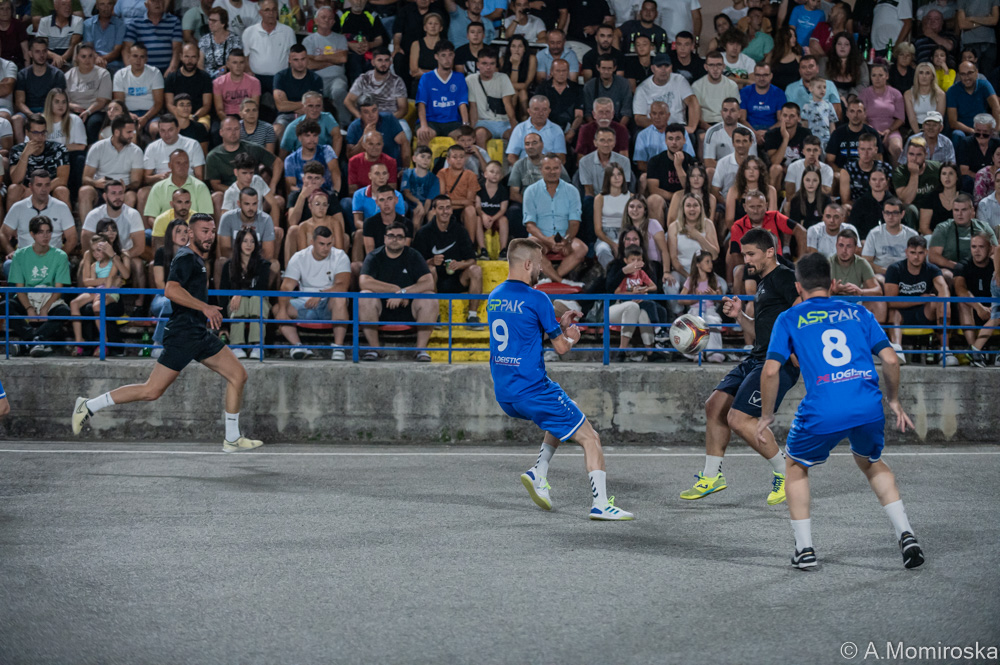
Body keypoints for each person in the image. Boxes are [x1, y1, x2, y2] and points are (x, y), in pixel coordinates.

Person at [758, 252, 922, 570]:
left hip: (824, 407)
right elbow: (890, 359)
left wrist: (766, 415)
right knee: (871, 462)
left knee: (795, 466)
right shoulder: (857, 311)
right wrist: (893, 401)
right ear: (832, 284)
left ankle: (805, 549)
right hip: (867, 404)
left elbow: (770, 370)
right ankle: (906, 534)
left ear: (798, 286)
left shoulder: (789, 318)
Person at [72, 214, 263, 452]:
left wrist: (202, 311)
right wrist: (204, 307)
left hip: (198, 333)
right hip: (183, 334)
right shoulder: (185, 257)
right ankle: (88, 405)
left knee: (238, 375)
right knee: (151, 391)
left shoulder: (197, 259)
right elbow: (170, 290)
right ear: (191, 233)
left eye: (212, 231)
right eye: (204, 231)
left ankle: (232, 438)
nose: (210, 236)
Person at [489, 238, 634, 520]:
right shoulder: (538, 298)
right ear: (527, 264)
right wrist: (571, 336)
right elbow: (561, 348)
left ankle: (539, 472)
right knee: (591, 437)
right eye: (539, 264)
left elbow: (524, 332)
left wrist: (557, 324)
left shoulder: (495, 296)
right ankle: (601, 504)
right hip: (533, 390)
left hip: (506, 393)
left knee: (564, 410)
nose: (542, 270)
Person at [680, 228, 799, 505]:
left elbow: (802, 310)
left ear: (770, 252)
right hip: (757, 358)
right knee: (714, 406)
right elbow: (760, 331)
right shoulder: (763, 283)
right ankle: (712, 477)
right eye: (744, 254)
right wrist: (739, 315)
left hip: (777, 362)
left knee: (739, 419)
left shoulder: (784, 276)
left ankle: (786, 474)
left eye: (751, 254)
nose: (746, 260)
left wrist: (797, 349)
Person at [358, 222, 439, 362]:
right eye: (391, 236)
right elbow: (364, 282)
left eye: (399, 236)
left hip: (410, 309)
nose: (395, 239)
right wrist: (395, 290)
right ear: (385, 238)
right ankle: (374, 349)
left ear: (405, 240)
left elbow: (428, 283)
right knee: (364, 295)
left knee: (430, 297)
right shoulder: (374, 256)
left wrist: (403, 293)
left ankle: (420, 350)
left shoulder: (413, 256)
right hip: (380, 309)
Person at [272, 225, 351, 360]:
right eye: (321, 244)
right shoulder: (299, 257)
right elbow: (286, 287)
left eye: (329, 244)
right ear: (312, 242)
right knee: (278, 308)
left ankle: (338, 347)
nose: (326, 248)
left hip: (328, 305)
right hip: (305, 304)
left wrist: (320, 295)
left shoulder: (340, 256)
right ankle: (297, 346)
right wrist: (283, 310)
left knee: (340, 298)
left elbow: (342, 286)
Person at [6, 215, 72, 357]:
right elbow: (19, 288)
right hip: (27, 296)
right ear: (32, 234)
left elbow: (58, 289)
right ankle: (36, 340)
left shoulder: (60, 256)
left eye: (48, 232)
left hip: (48, 296)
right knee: (5, 306)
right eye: (41, 232)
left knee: (64, 311)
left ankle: (27, 344)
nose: (45, 236)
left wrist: (45, 308)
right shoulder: (20, 255)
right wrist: (29, 308)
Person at [412, 195, 482, 323]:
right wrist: (431, 261)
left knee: (476, 270)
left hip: (457, 279)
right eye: (441, 208)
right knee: (431, 269)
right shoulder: (424, 233)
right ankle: (435, 315)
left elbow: (472, 259)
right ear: (434, 211)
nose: (445, 211)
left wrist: (460, 265)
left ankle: (472, 316)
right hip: (434, 281)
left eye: (448, 208)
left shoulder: (460, 231)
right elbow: (416, 264)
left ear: (452, 210)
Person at [884, 236, 950, 363]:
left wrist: (943, 300)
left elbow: (943, 288)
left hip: (924, 313)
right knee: (893, 312)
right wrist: (921, 299)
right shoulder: (895, 269)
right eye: (913, 253)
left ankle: (945, 351)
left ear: (926, 253)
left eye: (920, 253)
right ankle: (897, 350)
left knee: (942, 302)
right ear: (906, 252)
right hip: (901, 313)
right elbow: (890, 302)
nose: (916, 257)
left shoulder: (932, 269)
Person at [522, 153, 586, 282]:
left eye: (555, 168)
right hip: (540, 238)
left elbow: (574, 222)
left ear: (560, 169)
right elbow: (529, 225)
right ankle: (561, 281)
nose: (552, 172)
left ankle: (552, 279)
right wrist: (547, 240)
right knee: (529, 246)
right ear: (541, 169)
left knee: (582, 248)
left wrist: (567, 240)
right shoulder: (531, 191)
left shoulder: (572, 190)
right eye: (548, 168)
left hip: (564, 237)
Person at [69, 232, 126, 357]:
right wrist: (102, 282)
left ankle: (103, 341)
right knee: (74, 303)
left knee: (97, 306)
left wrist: (105, 284)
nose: (96, 254)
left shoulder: (114, 262)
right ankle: (79, 341)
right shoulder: (94, 265)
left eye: (99, 250)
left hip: (110, 290)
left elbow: (111, 280)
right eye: (93, 251)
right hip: (98, 290)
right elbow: (89, 282)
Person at [954, 232, 999, 366]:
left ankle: (976, 352)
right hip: (973, 312)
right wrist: (979, 307)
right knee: (962, 303)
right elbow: (960, 290)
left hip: (993, 310)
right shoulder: (963, 265)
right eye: (974, 247)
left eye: (981, 247)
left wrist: (992, 306)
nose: (977, 251)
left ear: (990, 248)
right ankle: (974, 352)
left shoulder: (996, 265)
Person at [303, 7, 349, 126]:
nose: (326, 20)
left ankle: (345, 125)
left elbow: (343, 59)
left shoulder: (340, 38)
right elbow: (309, 65)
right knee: (310, 96)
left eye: (330, 18)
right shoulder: (308, 40)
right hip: (315, 79)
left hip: (337, 78)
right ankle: (315, 126)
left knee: (339, 91)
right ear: (316, 20)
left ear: (333, 22)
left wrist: (318, 57)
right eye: (323, 17)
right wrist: (333, 59)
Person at [632, 53, 700, 135]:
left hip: (678, 126)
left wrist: (692, 127)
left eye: (666, 66)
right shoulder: (642, 89)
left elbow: (692, 101)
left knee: (691, 136)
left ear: (671, 68)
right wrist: (662, 127)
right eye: (659, 66)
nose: (663, 70)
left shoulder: (679, 80)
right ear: (653, 69)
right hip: (653, 127)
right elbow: (639, 118)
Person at [829, 228, 886, 321]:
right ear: (836, 246)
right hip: (832, 305)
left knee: (879, 303)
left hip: (856, 304)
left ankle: (874, 331)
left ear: (856, 248)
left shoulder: (862, 263)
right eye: (841, 245)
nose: (844, 250)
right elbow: (817, 295)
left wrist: (861, 291)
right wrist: (833, 291)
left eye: (849, 246)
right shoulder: (827, 264)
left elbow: (878, 291)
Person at [112, 43, 165, 137]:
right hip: (127, 113)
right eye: (135, 56)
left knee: (156, 129)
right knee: (128, 131)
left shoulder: (155, 73)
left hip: (150, 114)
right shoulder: (120, 75)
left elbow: (158, 102)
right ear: (129, 57)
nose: (138, 60)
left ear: (146, 59)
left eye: (142, 57)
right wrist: (128, 115)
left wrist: (145, 118)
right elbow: (119, 103)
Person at [66, 43, 113, 144]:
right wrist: (71, 106)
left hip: (96, 111)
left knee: (93, 123)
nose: (87, 60)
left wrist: (88, 111)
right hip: (74, 111)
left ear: (94, 56)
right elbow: (63, 100)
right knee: (71, 121)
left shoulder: (103, 74)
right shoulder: (68, 75)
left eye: (90, 56)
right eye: (83, 56)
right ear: (77, 57)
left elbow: (102, 101)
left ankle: (92, 150)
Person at [862, 197, 920, 278]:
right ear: (883, 214)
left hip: (905, 274)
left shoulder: (912, 235)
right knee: (877, 279)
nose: (890, 216)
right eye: (887, 213)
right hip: (881, 274)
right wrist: (887, 271)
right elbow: (866, 261)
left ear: (902, 214)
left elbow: (918, 260)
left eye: (895, 213)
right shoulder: (874, 233)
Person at [121, 0, 183, 76]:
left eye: (160, 1)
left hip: (167, 70)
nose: (157, 3)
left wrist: (172, 68)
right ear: (146, 5)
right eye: (153, 1)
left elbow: (177, 48)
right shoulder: (135, 23)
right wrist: (132, 71)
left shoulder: (174, 21)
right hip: (142, 70)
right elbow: (126, 49)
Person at [946, 61, 1000, 143]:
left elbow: (996, 108)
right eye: (963, 74)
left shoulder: (984, 85)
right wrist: (973, 131)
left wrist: (996, 130)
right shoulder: (952, 91)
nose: (966, 77)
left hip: (984, 128)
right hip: (964, 130)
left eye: (970, 73)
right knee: (957, 134)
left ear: (976, 72)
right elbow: (953, 122)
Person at [198, 7, 242, 78]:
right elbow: (200, 64)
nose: (210, 23)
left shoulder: (234, 39)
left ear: (223, 24)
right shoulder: (204, 40)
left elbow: (238, 61)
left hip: (229, 77)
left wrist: (226, 67)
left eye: (214, 21)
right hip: (208, 78)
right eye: (209, 20)